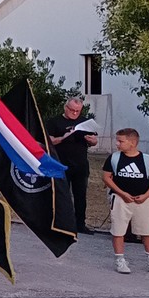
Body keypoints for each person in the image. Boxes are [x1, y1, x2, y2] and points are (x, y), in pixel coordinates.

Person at [102, 128, 149, 274]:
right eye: (117, 140)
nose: (117, 144)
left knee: (147, 231)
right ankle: (120, 260)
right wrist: (121, 193)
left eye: (121, 141)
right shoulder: (114, 158)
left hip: (142, 200)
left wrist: (146, 195)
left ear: (133, 143)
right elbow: (106, 177)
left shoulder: (147, 159)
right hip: (120, 200)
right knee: (118, 230)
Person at [46, 97, 97, 234]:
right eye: (72, 110)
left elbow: (94, 141)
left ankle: (80, 224)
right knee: (62, 195)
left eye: (77, 111)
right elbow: (49, 141)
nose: (74, 113)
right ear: (66, 107)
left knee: (80, 195)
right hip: (61, 164)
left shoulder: (85, 122)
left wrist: (91, 140)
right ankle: (61, 223)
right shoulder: (54, 122)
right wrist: (63, 138)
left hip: (80, 165)